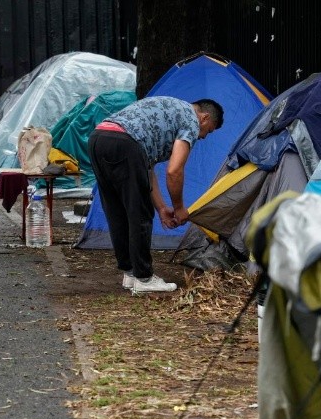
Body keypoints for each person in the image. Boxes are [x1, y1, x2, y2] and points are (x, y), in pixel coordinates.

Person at [88, 96, 224, 293]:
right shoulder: (190, 120)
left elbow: (146, 169)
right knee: (140, 214)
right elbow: (174, 171)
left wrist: (161, 208)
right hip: (125, 143)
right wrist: (179, 208)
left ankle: (130, 273)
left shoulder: (169, 110)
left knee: (117, 210)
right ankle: (144, 278)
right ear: (204, 117)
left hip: (99, 139)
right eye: (208, 131)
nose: (203, 137)